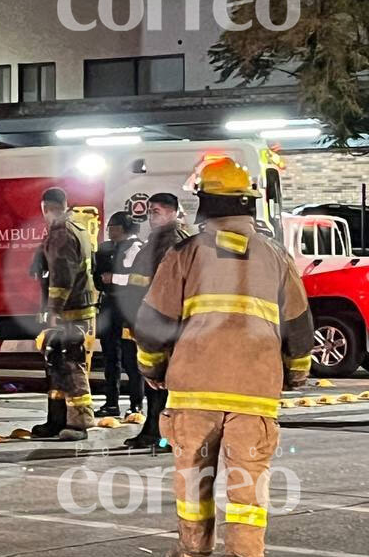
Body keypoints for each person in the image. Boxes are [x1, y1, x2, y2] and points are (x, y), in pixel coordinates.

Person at [134, 157, 312, 557]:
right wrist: (293, 376)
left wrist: (153, 368)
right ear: (248, 203)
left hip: (193, 394)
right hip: (255, 394)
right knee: (248, 497)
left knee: (193, 488)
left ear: (206, 203)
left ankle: (193, 552)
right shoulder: (278, 257)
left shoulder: (184, 254)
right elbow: (300, 329)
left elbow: (153, 323)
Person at [115, 193, 192, 450]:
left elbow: (170, 288)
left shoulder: (175, 242)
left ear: (173, 213)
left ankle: (165, 436)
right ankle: (152, 431)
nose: (151, 215)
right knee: (153, 383)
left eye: (157, 211)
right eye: (149, 211)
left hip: (166, 325)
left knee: (164, 384)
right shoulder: (155, 241)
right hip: (149, 321)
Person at [31, 187, 98, 441]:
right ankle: (57, 419)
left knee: (70, 362)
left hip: (69, 311)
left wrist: (54, 310)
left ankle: (79, 422)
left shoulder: (61, 233)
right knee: (57, 362)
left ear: (45, 208)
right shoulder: (77, 228)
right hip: (78, 307)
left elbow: (62, 276)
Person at [94, 212, 144, 418]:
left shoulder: (137, 248)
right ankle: (111, 403)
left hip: (128, 308)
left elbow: (141, 280)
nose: (109, 230)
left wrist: (114, 277)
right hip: (109, 307)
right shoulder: (106, 249)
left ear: (123, 227)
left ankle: (136, 404)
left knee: (131, 358)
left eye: (112, 226)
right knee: (110, 358)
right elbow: (98, 276)